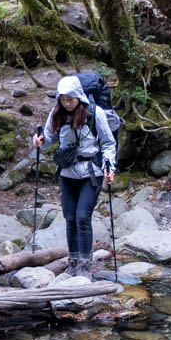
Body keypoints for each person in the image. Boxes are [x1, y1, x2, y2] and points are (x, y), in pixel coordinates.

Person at [33, 75, 117, 277]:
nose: (67, 103)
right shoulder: (57, 114)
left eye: (70, 99)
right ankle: (73, 262)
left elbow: (108, 143)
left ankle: (85, 266)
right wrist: (38, 141)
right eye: (63, 99)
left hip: (91, 173)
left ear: (79, 96)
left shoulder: (95, 114)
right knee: (70, 218)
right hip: (68, 172)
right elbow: (48, 138)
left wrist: (110, 166)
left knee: (82, 217)